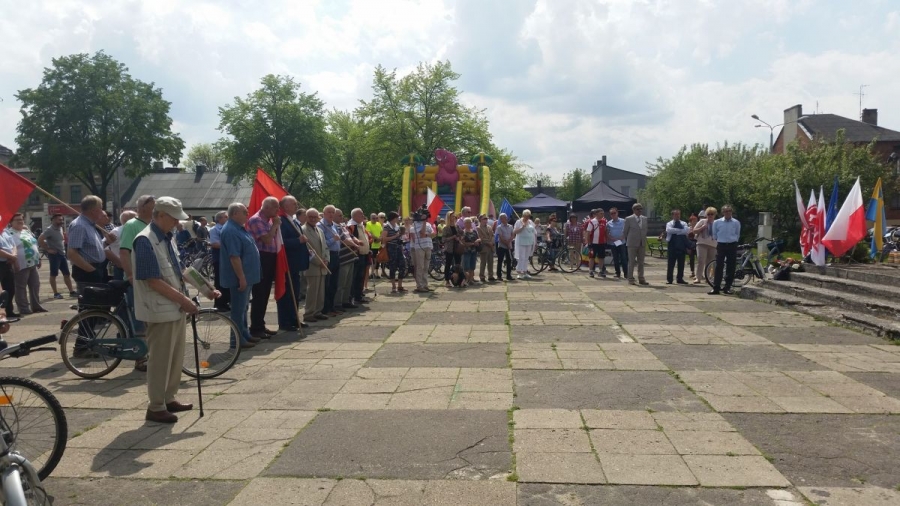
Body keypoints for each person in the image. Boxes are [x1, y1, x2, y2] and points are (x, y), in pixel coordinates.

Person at [132, 196, 218, 424]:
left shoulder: (166, 237)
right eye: (174, 218)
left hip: (173, 307)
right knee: (160, 359)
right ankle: (156, 406)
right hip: (159, 309)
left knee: (175, 356)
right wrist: (184, 301)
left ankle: (168, 398)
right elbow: (153, 280)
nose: (178, 223)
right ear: (160, 215)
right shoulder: (145, 240)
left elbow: (181, 269)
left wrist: (207, 288)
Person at [118, 195, 154, 370]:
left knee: (149, 318)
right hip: (137, 280)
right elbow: (124, 252)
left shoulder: (152, 225)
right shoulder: (132, 225)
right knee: (139, 319)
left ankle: (149, 353)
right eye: (154, 205)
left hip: (150, 280)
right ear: (144, 207)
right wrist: (130, 275)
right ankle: (140, 357)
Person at [219, 203, 259, 348]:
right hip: (239, 278)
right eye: (244, 212)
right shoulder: (231, 230)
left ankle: (244, 333)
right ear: (235, 213)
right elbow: (234, 257)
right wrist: (241, 277)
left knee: (243, 308)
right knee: (238, 310)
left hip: (247, 276)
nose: (247, 214)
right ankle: (236, 340)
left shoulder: (238, 228)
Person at [246, 196, 281, 338]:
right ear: (267, 207)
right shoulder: (257, 220)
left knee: (265, 293)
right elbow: (266, 239)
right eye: (276, 207)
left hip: (269, 258)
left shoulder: (269, 220)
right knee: (259, 294)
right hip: (261, 258)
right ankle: (256, 328)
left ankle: (260, 324)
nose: (278, 210)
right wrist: (275, 226)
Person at [276, 196, 309, 332]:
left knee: (294, 293)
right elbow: (281, 242)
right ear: (285, 206)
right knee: (287, 294)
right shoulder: (282, 221)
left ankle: (294, 318)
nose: (297, 206)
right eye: (294, 204)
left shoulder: (293, 220)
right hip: (287, 263)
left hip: (295, 263)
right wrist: (298, 241)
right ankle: (285, 321)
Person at [8, 214, 46, 314]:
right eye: (17, 220)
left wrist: (38, 258)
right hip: (21, 264)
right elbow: (11, 249)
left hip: (32, 262)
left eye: (21, 219)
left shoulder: (26, 231)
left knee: (35, 285)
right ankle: (23, 308)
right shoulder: (9, 233)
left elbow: (34, 244)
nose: (20, 221)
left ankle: (36, 306)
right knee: (21, 287)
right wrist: (15, 262)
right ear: (11, 222)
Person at [39, 214, 76, 299]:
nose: (61, 221)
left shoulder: (60, 228)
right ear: (53, 220)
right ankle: (56, 293)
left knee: (67, 274)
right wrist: (48, 249)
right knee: (54, 274)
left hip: (62, 254)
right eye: (59, 220)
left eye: (62, 220)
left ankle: (71, 291)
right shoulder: (49, 230)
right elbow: (40, 239)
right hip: (54, 256)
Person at [318, 205, 345, 316]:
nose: (331, 214)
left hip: (336, 255)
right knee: (327, 284)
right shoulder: (321, 226)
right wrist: (333, 239)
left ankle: (332, 307)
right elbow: (323, 244)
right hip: (328, 255)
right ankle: (325, 309)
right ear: (324, 213)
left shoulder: (334, 225)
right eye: (329, 212)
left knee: (334, 283)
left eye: (333, 212)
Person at [303, 208, 329, 321]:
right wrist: (319, 262)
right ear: (306, 217)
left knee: (320, 292)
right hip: (312, 266)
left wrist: (326, 260)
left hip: (323, 266)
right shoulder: (303, 230)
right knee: (312, 292)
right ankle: (309, 314)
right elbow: (307, 250)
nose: (313, 219)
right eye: (310, 217)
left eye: (315, 217)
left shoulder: (320, 230)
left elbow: (325, 247)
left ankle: (318, 311)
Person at [709, 205, 740, 296]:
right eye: (726, 211)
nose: (728, 213)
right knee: (719, 265)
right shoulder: (717, 222)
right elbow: (714, 234)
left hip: (732, 244)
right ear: (723, 212)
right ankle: (716, 287)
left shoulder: (736, 222)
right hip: (721, 244)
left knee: (731, 266)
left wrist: (733, 241)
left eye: (729, 211)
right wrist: (719, 240)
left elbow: (737, 234)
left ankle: (727, 287)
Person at [347, 209, 371, 303]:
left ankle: (359, 294)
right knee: (356, 276)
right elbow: (351, 239)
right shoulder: (351, 226)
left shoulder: (361, 225)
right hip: (356, 255)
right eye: (361, 214)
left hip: (364, 254)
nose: (363, 216)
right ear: (354, 216)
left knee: (361, 276)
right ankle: (354, 296)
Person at [209, 210, 231, 311]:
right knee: (219, 281)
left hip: (227, 259)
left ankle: (227, 301)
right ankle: (219, 304)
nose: (227, 218)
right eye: (225, 217)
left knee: (227, 280)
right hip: (219, 259)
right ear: (219, 219)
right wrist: (230, 246)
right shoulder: (214, 229)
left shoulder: (228, 228)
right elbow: (214, 244)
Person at [622, 202, 649, 285]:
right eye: (638, 209)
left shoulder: (644, 218)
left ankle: (641, 278)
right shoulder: (629, 219)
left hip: (642, 243)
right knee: (631, 262)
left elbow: (645, 230)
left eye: (641, 209)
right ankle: (630, 278)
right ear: (633, 210)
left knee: (641, 262)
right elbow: (625, 231)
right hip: (632, 244)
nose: (640, 210)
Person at [381, 212, 407, 294]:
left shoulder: (397, 226)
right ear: (393, 218)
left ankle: (400, 285)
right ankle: (393, 286)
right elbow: (384, 238)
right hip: (391, 247)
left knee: (402, 265)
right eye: (397, 217)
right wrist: (395, 236)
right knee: (393, 266)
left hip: (398, 247)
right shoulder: (387, 226)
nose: (398, 219)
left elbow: (398, 237)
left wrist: (400, 238)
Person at [409, 213, 434, 293]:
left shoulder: (428, 224)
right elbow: (422, 233)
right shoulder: (415, 225)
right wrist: (424, 222)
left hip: (428, 246)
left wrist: (427, 234)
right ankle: (419, 286)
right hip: (420, 247)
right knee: (420, 267)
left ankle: (425, 285)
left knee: (426, 267)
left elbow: (434, 234)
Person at [108, 210, 136, 281]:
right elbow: (105, 249)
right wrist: (118, 262)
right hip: (120, 268)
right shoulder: (116, 231)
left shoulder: (134, 230)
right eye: (136, 218)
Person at [693, 207, 718, 285]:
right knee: (701, 260)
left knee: (710, 262)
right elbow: (694, 231)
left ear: (714, 215)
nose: (710, 216)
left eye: (712, 214)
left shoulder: (717, 223)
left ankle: (708, 278)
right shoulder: (702, 221)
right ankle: (698, 277)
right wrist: (702, 227)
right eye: (708, 214)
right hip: (702, 243)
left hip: (713, 244)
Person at [665, 209, 690, 285]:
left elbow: (686, 231)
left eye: (678, 214)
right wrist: (680, 231)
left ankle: (680, 278)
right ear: (672, 215)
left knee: (681, 263)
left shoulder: (684, 223)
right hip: (672, 244)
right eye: (676, 214)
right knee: (671, 263)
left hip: (681, 244)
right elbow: (669, 230)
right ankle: (669, 279)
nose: (677, 216)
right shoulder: (669, 223)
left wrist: (676, 231)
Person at [0, 220, 18, 317]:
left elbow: (13, 245)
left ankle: (9, 311)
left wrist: (13, 256)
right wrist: (11, 256)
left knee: (10, 288)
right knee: (1, 291)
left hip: (8, 263)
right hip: (1, 262)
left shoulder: (6, 231)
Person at [513, 210, 537, 280]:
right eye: (526, 216)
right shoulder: (518, 222)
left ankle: (525, 271)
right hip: (521, 242)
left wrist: (535, 242)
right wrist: (522, 227)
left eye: (528, 216)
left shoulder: (530, 222)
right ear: (523, 215)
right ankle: (519, 272)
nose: (527, 217)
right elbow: (515, 231)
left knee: (526, 257)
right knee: (521, 257)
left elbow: (534, 232)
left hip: (529, 242)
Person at [605, 208, 627, 278]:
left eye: (614, 213)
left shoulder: (623, 221)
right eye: (611, 213)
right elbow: (607, 233)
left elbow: (626, 230)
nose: (613, 214)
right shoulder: (608, 223)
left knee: (623, 258)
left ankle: (626, 273)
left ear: (617, 213)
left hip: (621, 242)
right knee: (615, 258)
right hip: (613, 243)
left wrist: (623, 237)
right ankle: (617, 273)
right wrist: (612, 238)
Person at [585, 209, 607, 278]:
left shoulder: (604, 221)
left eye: (603, 213)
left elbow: (605, 231)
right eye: (601, 213)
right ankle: (591, 271)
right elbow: (588, 232)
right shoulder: (592, 221)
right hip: (593, 243)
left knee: (601, 257)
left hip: (601, 243)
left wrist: (605, 240)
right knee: (592, 257)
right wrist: (589, 243)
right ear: (596, 214)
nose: (602, 215)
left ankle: (601, 271)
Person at [442, 211, 462, 288]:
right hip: (449, 248)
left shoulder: (457, 226)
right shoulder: (446, 227)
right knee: (448, 264)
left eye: (454, 216)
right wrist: (452, 237)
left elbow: (462, 234)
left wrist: (459, 238)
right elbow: (443, 239)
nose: (454, 217)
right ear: (449, 217)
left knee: (458, 264)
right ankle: (447, 280)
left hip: (457, 248)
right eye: (452, 216)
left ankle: (458, 280)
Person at [459, 217, 480, 286]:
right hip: (466, 251)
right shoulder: (463, 232)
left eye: (470, 222)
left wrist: (478, 241)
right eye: (467, 222)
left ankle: (471, 280)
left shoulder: (474, 231)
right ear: (464, 224)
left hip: (474, 251)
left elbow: (478, 238)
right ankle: (466, 280)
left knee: (472, 266)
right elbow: (463, 242)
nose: (469, 224)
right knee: (466, 267)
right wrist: (473, 243)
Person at [495, 213, 514, 281]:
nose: (504, 219)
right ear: (500, 219)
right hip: (502, 246)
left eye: (505, 218)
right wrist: (506, 243)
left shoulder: (510, 226)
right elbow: (500, 237)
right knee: (500, 260)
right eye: (502, 218)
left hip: (509, 246)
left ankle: (509, 275)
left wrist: (509, 241)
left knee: (509, 260)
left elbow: (512, 235)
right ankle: (499, 276)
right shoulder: (499, 227)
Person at [477, 215, 496, 282]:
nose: (486, 220)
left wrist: (492, 242)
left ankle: (490, 276)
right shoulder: (478, 228)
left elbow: (493, 235)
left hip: (491, 247)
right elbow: (481, 238)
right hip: (484, 247)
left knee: (491, 262)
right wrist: (488, 243)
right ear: (480, 220)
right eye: (484, 219)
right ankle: (482, 276)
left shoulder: (489, 227)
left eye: (486, 219)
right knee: (483, 263)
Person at [366, 213, 383, 280]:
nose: (375, 219)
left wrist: (380, 238)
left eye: (376, 218)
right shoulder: (368, 224)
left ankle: (376, 273)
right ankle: (372, 273)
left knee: (378, 260)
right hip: (372, 245)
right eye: (373, 218)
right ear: (370, 218)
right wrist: (377, 238)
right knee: (373, 260)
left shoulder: (379, 224)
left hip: (378, 245)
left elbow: (381, 232)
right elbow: (369, 233)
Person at [687, 213, 699, 281]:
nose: (695, 222)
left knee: (699, 258)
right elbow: (686, 237)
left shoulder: (698, 228)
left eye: (696, 221)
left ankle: (699, 272)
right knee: (691, 259)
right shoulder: (688, 229)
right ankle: (692, 272)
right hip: (690, 244)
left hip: (697, 243)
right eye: (694, 221)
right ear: (690, 222)